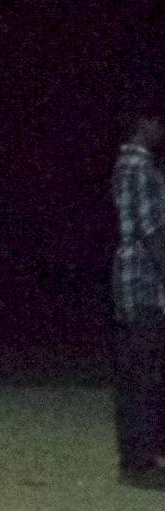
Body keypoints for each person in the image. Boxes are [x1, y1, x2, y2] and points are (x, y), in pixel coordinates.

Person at [110, 109, 165, 490]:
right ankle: (139, 462)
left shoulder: (131, 165)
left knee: (138, 374)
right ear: (144, 125)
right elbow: (152, 231)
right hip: (144, 283)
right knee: (142, 377)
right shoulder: (138, 167)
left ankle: (140, 457)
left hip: (137, 283)